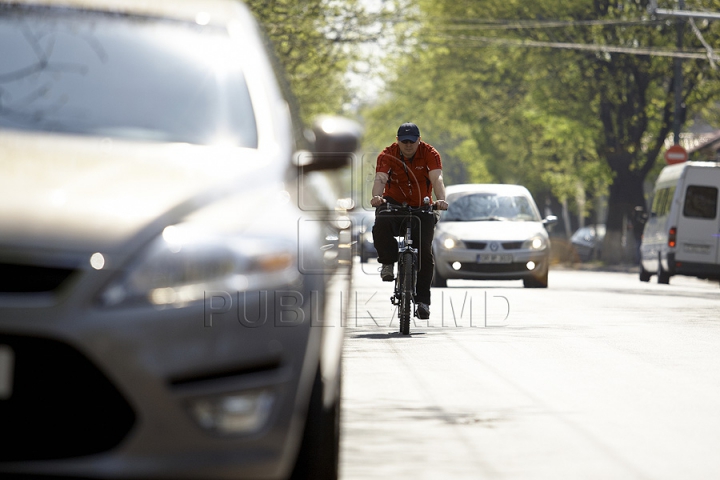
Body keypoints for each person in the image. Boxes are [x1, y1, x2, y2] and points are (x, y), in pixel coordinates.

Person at [370, 123, 448, 319]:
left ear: (418, 140)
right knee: (381, 222)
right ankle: (388, 263)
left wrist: (441, 200)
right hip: (395, 204)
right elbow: (380, 178)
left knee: (424, 253)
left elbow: (437, 179)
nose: (408, 145)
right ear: (397, 141)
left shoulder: (430, 153)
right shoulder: (387, 154)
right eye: (404, 141)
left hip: (422, 206)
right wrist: (377, 197)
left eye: (411, 141)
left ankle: (422, 302)